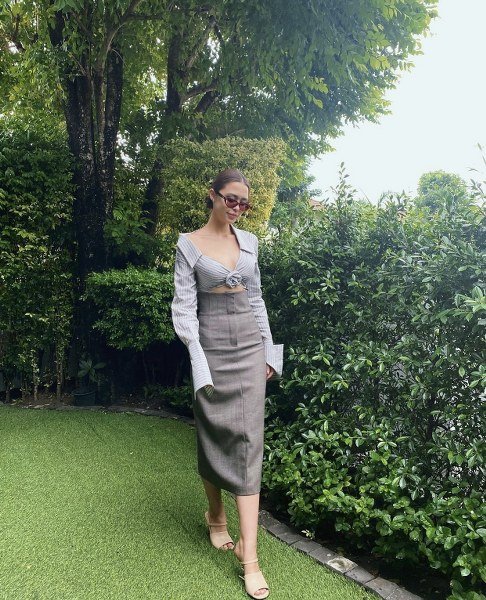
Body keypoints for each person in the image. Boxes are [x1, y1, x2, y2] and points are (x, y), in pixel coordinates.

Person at [171, 168, 283, 599]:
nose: (237, 208)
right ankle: (216, 517)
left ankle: (249, 556)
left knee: (250, 441)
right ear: (213, 195)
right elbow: (184, 310)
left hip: (249, 343)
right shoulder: (188, 244)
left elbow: (257, 298)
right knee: (213, 431)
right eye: (231, 199)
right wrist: (198, 361)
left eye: (244, 203)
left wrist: (270, 351)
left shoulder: (250, 242)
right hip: (211, 345)